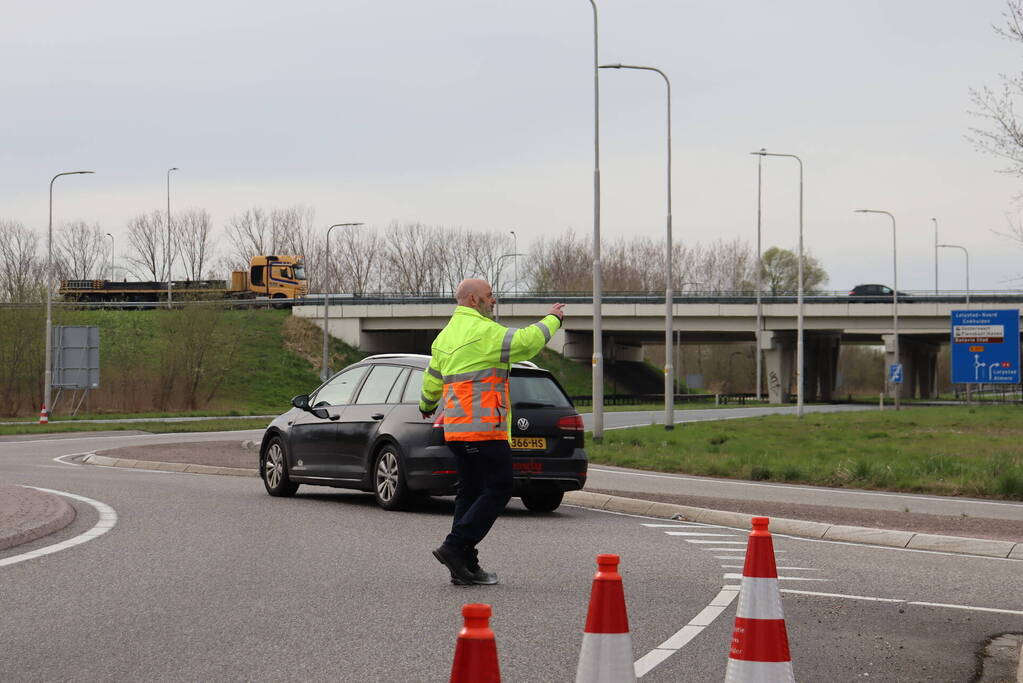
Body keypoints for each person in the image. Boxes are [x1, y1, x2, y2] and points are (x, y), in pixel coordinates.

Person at [420, 278, 564, 585]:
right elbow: (527, 342)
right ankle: (455, 546)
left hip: (456, 429)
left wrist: (426, 404)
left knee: (469, 493)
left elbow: (433, 378)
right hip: (485, 428)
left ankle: (465, 567)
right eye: (489, 296)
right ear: (473, 300)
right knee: (499, 488)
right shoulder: (484, 332)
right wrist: (554, 319)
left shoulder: (444, 337)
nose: (493, 300)